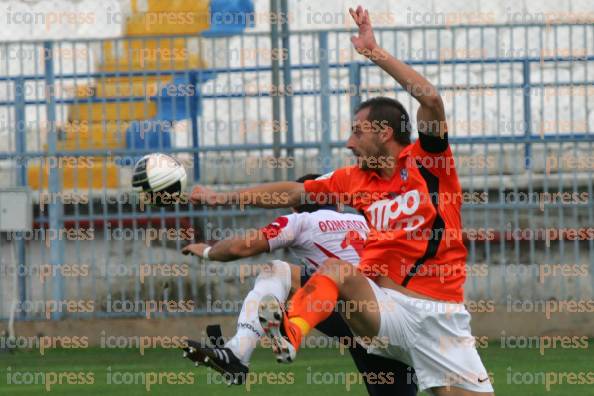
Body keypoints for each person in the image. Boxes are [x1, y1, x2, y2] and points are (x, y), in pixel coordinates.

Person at [189, 6, 494, 395]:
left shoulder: (428, 162)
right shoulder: (352, 179)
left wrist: (374, 51)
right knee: (335, 271)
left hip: (442, 319)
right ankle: (290, 333)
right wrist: (221, 198)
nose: (349, 142)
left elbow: (431, 100)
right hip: (385, 311)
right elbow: (291, 192)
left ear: (384, 132)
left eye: (357, 131)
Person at [181, 174, 417, 394]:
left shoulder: (301, 221)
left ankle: (239, 351)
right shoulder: (367, 222)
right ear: (338, 204)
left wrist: (209, 251)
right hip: (393, 317)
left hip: (350, 313)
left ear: (294, 205)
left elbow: (240, 247)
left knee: (276, 270)